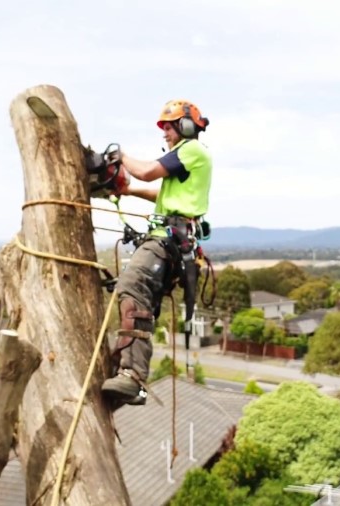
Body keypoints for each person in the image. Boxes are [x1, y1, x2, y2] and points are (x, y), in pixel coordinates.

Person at [100, 99, 212, 407]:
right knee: (135, 294)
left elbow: (148, 172)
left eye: (168, 127)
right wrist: (127, 191)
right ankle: (125, 372)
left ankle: (132, 376)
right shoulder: (185, 161)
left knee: (132, 287)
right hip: (170, 238)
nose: (164, 134)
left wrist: (120, 156)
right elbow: (159, 192)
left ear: (185, 127)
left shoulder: (191, 150)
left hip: (167, 240)